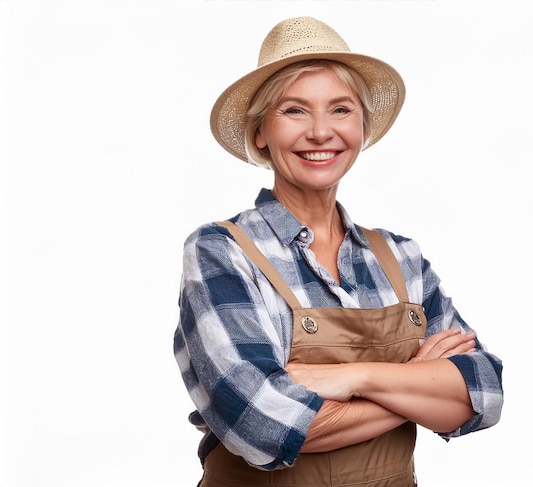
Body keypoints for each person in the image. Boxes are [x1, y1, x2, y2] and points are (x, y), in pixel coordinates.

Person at [174, 16, 503, 487]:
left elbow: (484, 392)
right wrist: (416, 379)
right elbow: (263, 424)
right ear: (260, 132)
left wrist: (355, 377)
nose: (321, 132)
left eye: (341, 110)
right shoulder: (222, 252)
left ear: (363, 126)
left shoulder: (401, 257)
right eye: (294, 110)